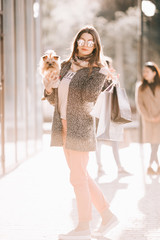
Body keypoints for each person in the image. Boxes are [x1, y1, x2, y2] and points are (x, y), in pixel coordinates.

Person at [42, 26, 119, 240]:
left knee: (77, 177)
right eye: (82, 40)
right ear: (76, 42)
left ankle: (84, 226)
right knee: (81, 175)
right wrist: (49, 88)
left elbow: (87, 98)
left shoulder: (98, 70)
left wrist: (101, 75)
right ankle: (107, 214)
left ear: (95, 45)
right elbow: (54, 99)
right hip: (63, 126)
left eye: (90, 41)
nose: (85, 44)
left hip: (81, 128)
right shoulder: (66, 65)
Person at [96, 57, 129, 176]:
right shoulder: (98, 80)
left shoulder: (112, 80)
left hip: (112, 114)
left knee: (115, 140)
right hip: (100, 116)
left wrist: (115, 82)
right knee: (98, 141)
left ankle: (119, 167)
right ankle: (99, 166)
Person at [136, 61, 160, 175]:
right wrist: (150, 118)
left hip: (159, 119)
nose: (144, 73)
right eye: (144, 71)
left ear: (154, 73)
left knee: (156, 143)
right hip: (148, 120)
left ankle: (151, 166)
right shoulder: (140, 87)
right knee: (153, 143)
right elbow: (140, 105)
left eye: (147, 71)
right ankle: (156, 166)